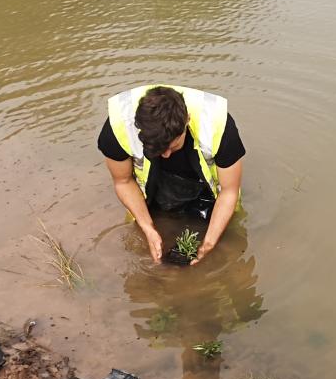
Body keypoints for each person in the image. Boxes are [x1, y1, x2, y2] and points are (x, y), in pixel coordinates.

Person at [99, 84, 246, 266]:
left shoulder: (219, 126)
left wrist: (208, 244)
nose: (166, 155)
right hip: (153, 178)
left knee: (230, 237)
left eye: (172, 146)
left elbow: (229, 191)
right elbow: (123, 181)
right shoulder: (118, 127)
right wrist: (148, 228)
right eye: (159, 149)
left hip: (202, 181)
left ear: (187, 121)